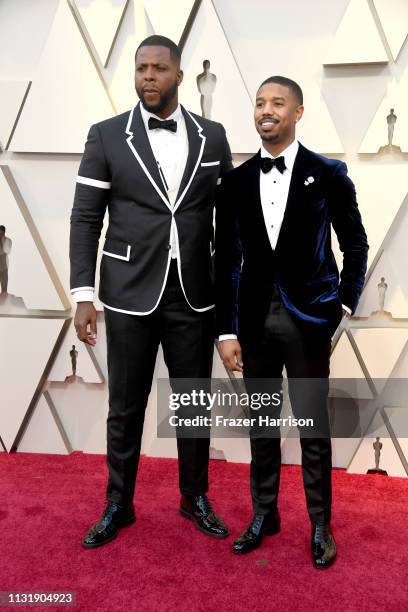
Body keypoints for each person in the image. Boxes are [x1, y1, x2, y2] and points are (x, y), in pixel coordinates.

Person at [70, 35, 233, 549]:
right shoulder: (106, 136)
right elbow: (85, 218)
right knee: (125, 405)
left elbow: (229, 223)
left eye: (159, 69)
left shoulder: (213, 135)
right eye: (141, 68)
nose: (148, 77)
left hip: (193, 294)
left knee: (191, 402)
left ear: (179, 76)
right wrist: (82, 294)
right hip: (126, 292)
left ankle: (194, 496)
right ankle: (119, 503)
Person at [215, 76, 368, 568]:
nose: (266, 110)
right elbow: (226, 262)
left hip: (309, 321)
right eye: (260, 103)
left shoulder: (329, 174)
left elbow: (356, 244)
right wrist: (227, 329)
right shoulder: (235, 183)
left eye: (277, 103)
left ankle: (320, 522)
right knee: (261, 424)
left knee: (312, 427)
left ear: (297, 112)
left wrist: (343, 303)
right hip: (255, 322)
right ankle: (265, 514)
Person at [0, 225, 12, 294]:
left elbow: (7, 251)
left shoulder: (8, 240)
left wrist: (2, 241)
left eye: (1, 233)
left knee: (4, 289)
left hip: (4, 267)